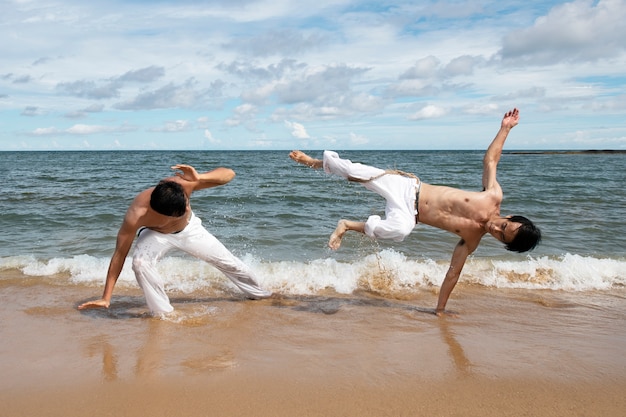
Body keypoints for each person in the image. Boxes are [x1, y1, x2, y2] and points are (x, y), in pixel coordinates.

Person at [289, 108, 541, 316]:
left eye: (501, 237)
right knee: (359, 172)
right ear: (509, 217)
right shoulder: (492, 195)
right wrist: (505, 128)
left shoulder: (472, 240)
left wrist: (440, 309)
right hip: (409, 188)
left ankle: (345, 225)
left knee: (400, 230)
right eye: (504, 227)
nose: (496, 230)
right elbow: (491, 160)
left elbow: (453, 273)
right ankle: (313, 162)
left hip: (410, 215)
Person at [78, 164, 272, 316]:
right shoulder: (137, 215)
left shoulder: (184, 185)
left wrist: (200, 177)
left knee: (232, 265)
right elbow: (120, 254)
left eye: (184, 208)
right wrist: (106, 297)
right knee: (139, 263)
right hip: (157, 235)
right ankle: (163, 313)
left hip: (190, 230)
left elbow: (229, 174)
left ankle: (260, 294)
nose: (184, 210)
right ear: (154, 209)